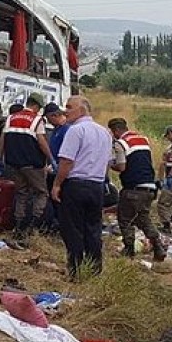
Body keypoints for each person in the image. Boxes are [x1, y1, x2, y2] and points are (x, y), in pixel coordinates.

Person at [51, 95, 112, 279]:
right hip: (96, 185)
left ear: (82, 110)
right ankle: (94, 269)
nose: (65, 111)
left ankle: (76, 271)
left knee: (73, 229)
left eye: (69, 107)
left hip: (76, 184)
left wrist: (57, 184)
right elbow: (108, 162)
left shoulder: (75, 130)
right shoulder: (104, 133)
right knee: (93, 229)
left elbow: (67, 161)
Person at [0, 92, 54, 247]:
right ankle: (33, 224)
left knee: (21, 194)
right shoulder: (37, 120)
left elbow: (2, 140)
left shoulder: (11, 118)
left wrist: (0, 158)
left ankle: (18, 226)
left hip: (14, 164)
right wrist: (51, 159)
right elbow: (42, 142)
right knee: (41, 193)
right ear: (36, 106)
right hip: (33, 165)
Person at [107, 118, 166, 261]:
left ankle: (129, 249)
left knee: (125, 219)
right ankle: (158, 247)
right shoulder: (143, 140)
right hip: (150, 187)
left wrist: (108, 164)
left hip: (133, 188)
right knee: (143, 218)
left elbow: (122, 166)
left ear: (115, 130)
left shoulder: (121, 143)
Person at [39, 102, 69, 234]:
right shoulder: (56, 129)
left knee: (60, 199)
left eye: (49, 118)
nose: (48, 122)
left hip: (61, 170)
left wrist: (57, 166)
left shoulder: (67, 129)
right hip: (53, 168)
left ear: (55, 115)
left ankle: (61, 225)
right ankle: (55, 224)